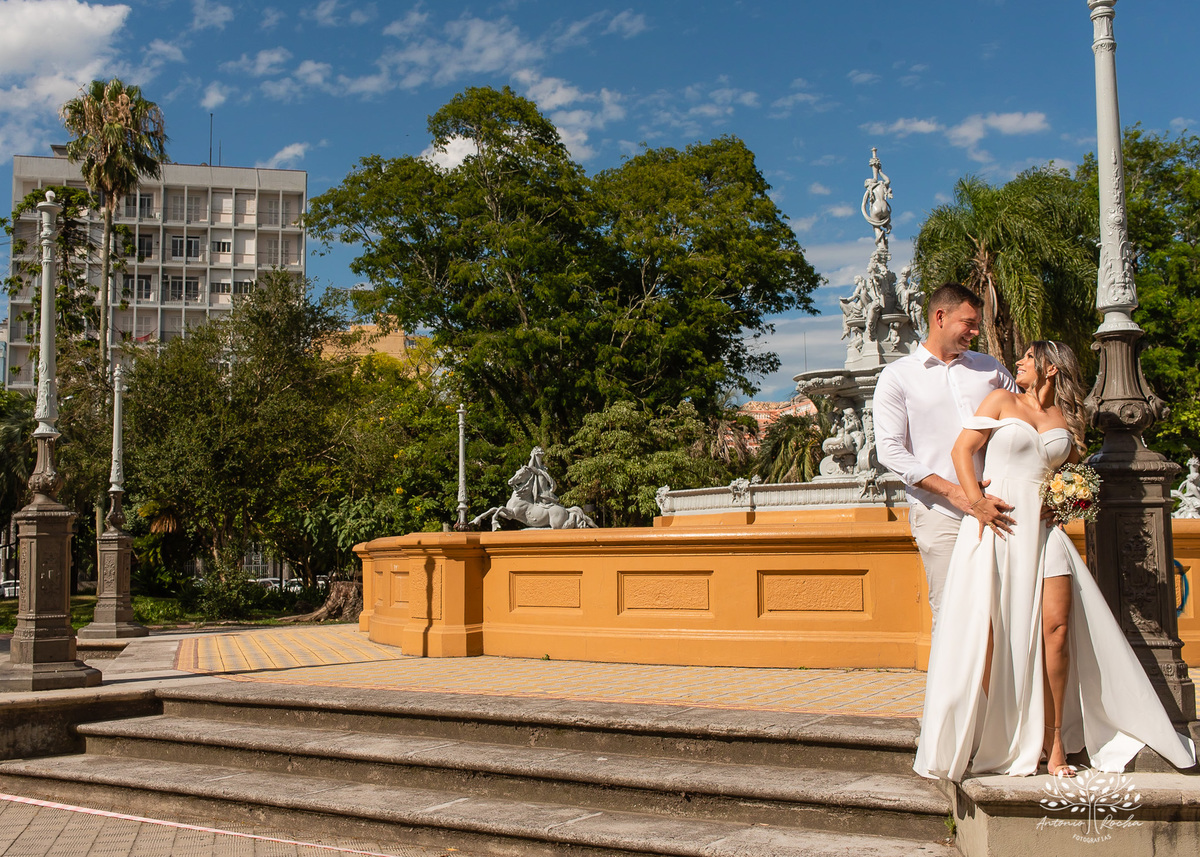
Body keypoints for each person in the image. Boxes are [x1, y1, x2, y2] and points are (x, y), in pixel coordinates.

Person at [914, 341, 1196, 780]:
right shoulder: (1002, 400)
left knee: (1058, 631)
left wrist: (1070, 502)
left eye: (1027, 358)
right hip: (1000, 527)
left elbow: (1074, 472)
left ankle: (1057, 740)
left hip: (1047, 534)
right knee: (994, 635)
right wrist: (977, 502)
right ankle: (1002, 733)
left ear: (1049, 367)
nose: (1018, 364)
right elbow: (961, 451)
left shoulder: (1067, 419)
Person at [874, 283, 1018, 626]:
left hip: (1001, 507)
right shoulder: (897, 377)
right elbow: (890, 450)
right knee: (952, 614)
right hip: (940, 514)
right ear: (940, 317)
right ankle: (951, 682)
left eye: (977, 324)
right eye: (968, 323)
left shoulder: (992, 369)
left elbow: (1023, 423)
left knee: (1004, 609)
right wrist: (956, 492)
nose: (975, 331)